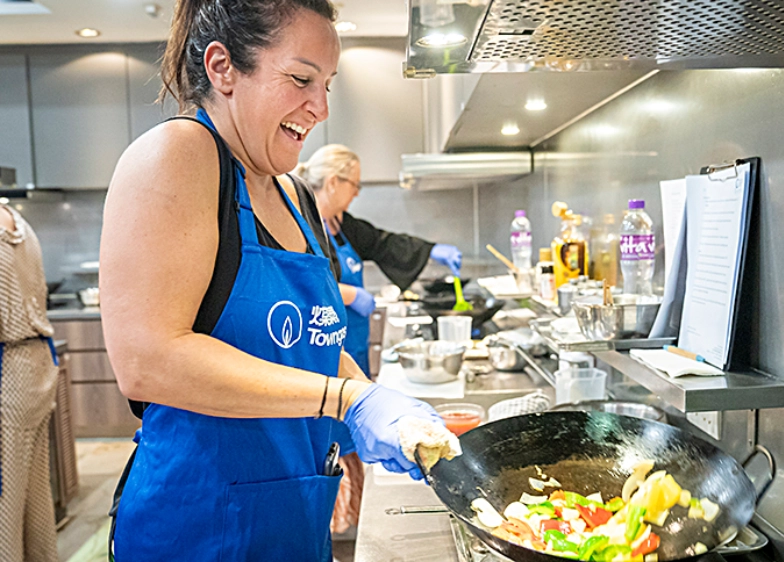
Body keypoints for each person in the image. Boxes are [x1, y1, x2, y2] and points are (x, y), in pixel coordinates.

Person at [99, 1, 452, 560]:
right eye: (301, 79)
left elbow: (311, 344)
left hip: (294, 520)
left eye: (327, 84)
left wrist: (371, 398)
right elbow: (147, 360)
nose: (321, 107)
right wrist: (345, 398)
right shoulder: (178, 156)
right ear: (223, 68)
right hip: (199, 525)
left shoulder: (296, 196)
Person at [294, 144, 463, 377]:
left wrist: (430, 250)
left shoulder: (341, 223)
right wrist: (351, 295)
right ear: (333, 182)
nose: (357, 193)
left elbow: (381, 243)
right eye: (355, 184)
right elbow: (299, 283)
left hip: (354, 341)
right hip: (322, 348)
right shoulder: (300, 226)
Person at [0, 203, 59, 562]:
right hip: (34, 363)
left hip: (7, 373)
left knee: (4, 508)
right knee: (34, 501)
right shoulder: (15, 219)